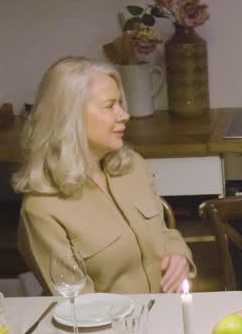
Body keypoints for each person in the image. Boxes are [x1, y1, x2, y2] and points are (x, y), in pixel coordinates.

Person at [14, 57, 193, 294]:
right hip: (111, 328)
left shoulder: (134, 168)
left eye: (120, 103)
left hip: (165, 312)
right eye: (110, 106)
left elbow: (163, 233)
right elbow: (76, 304)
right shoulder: (41, 208)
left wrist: (179, 254)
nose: (124, 115)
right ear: (70, 116)